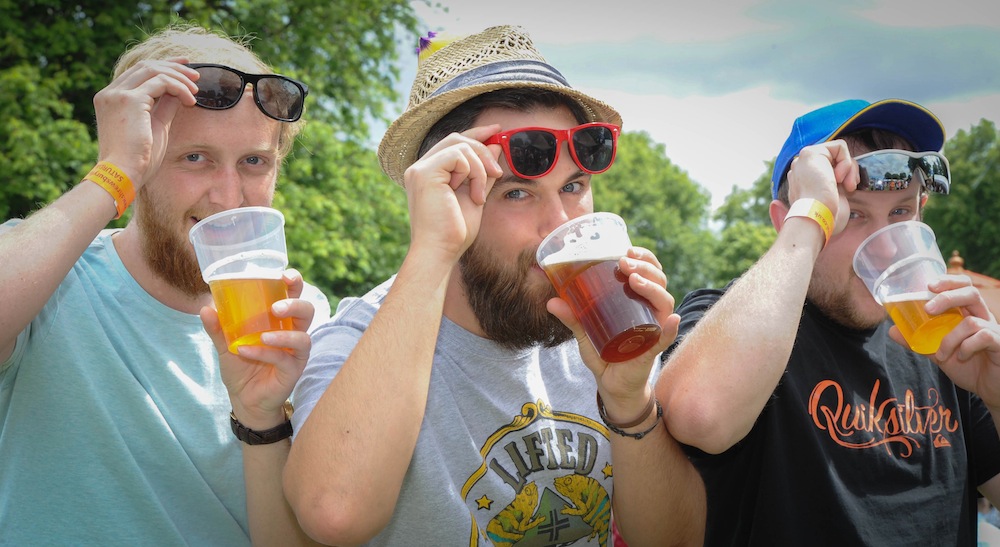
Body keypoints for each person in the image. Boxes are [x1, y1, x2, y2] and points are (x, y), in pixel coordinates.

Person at [283, 25, 705, 546]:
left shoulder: (601, 328)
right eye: (516, 194)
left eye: (574, 187)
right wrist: (432, 251)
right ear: (446, 196)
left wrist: (630, 399)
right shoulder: (355, 344)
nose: (558, 222)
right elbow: (334, 515)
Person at [0, 24, 328, 545]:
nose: (228, 197)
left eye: (254, 162)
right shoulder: (51, 272)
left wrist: (261, 420)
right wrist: (114, 171)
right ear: (143, 157)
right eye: (194, 158)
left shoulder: (298, 313)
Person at [656, 98, 1000, 545]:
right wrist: (811, 218)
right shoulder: (730, 323)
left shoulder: (947, 339)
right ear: (788, 221)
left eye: (901, 212)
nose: (887, 244)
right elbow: (698, 415)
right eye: (852, 214)